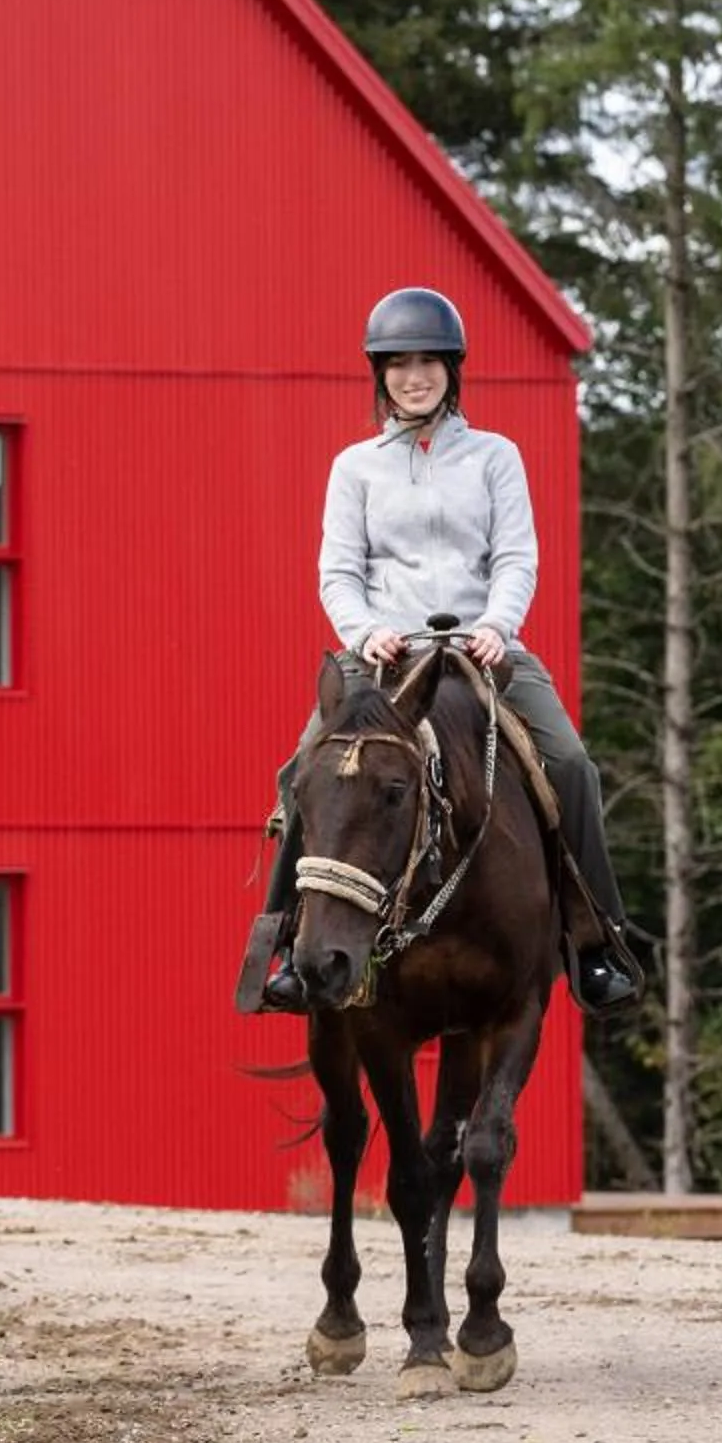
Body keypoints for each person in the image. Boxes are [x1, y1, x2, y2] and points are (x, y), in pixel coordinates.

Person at [240, 286, 643, 1017]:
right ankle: (283, 944)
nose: (414, 376)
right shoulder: (354, 468)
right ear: (380, 375)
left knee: (573, 765)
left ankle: (597, 941)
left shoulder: (495, 457)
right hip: (384, 654)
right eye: (398, 364)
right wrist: (365, 633)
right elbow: (338, 571)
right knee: (302, 771)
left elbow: (516, 556)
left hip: (481, 648)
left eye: (428, 362)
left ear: (452, 369)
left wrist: (497, 622)